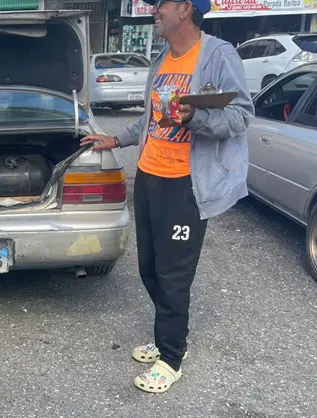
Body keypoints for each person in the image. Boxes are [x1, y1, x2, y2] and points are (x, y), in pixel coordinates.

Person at [80, 0, 254, 393]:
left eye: (161, 5)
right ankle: (167, 337)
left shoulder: (216, 55)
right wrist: (116, 138)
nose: (154, 10)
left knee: (174, 275)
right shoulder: (162, 59)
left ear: (185, 9)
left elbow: (241, 115)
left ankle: (172, 357)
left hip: (185, 185)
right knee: (149, 267)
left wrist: (196, 117)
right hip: (149, 176)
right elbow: (149, 116)